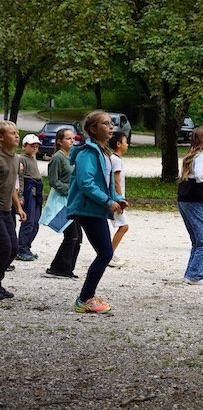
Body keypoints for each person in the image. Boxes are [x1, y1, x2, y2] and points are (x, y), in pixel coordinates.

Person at [68, 111, 128, 313]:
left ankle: (87, 296)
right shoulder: (87, 153)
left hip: (95, 208)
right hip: (87, 209)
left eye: (111, 123)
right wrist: (107, 202)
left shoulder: (104, 153)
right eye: (105, 124)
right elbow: (86, 183)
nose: (111, 127)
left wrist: (117, 198)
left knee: (105, 253)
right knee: (105, 253)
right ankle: (85, 298)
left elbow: (105, 183)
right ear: (93, 129)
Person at [178, 125, 203, 285]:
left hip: (184, 199)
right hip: (194, 200)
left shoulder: (192, 156)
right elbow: (200, 175)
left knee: (197, 239)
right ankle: (196, 275)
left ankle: (191, 273)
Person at [41, 129, 82, 279]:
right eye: (68, 138)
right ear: (60, 141)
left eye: (73, 138)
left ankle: (68, 268)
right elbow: (53, 181)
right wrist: (69, 190)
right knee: (72, 235)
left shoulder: (71, 156)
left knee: (78, 237)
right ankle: (57, 269)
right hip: (62, 201)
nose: (72, 141)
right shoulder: (58, 157)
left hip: (72, 201)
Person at [0, 121, 26, 300]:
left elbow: (12, 187)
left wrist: (18, 207)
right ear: (1, 137)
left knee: (13, 248)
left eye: (17, 133)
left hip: (7, 210)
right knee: (4, 246)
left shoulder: (16, 159)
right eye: (12, 133)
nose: (17, 136)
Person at [16, 134, 43, 261]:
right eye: (32, 146)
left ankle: (27, 246)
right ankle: (21, 248)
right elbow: (20, 179)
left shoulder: (33, 158)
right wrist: (20, 195)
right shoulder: (22, 159)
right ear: (24, 146)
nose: (34, 148)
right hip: (29, 190)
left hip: (36, 190)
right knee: (29, 221)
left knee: (36, 222)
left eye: (36, 146)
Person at [108, 131, 129, 268]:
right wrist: (121, 200)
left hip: (114, 198)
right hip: (115, 199)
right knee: (124, 226)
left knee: (122, 226)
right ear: (118, 144)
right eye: (125, 142)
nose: (127, 145)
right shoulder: (116, 160)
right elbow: (116, 181)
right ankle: (108, 254)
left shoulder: (113, 158)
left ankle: (108, 252)